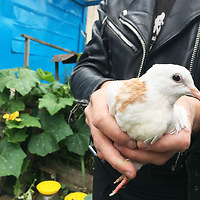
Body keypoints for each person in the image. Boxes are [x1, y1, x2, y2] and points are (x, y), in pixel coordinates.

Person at [69, 0, 200, 199]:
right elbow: (84, 68)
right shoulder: (114, 2)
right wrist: (100, 90)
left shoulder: (171, 117)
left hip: (180, 181)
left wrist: (196, 112)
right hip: (107, 168)